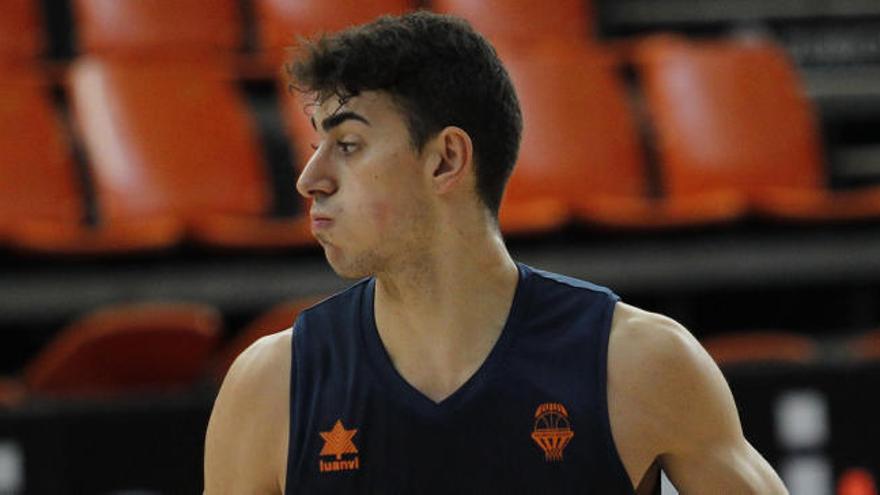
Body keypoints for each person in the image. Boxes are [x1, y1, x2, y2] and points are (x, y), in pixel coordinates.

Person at [204, 11, 788, 494]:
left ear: (446, 160)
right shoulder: (272, 386)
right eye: (315, 146)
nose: (310, 179)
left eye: (348, 145)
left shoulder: (638, 365)